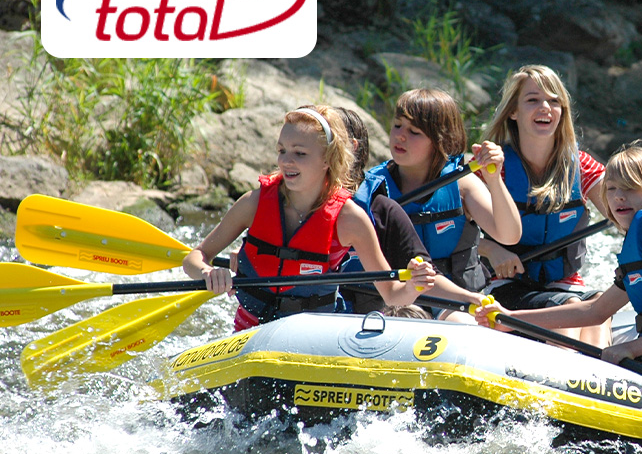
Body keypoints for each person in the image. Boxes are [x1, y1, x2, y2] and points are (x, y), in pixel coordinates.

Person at [475, 145, 642, 374]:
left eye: (630, 189)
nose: (618, 197)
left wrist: (629, 348)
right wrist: (510, 318)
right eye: (612, 188)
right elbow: (594, 311)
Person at [183, 105, 436, 331]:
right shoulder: (254, 203)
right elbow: (194, 258)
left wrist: (414, 285)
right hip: (249, 333)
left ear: (328, 158)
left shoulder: (351, 219)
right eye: (282, 151)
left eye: (300, 153)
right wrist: (208, 272)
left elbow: (391, 295)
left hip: (310, 338)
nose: (286, 161)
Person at [348, 90, 521, 319]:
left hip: (454, 301)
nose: (400, 136)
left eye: (414, 132)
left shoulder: (462, 184)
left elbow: (509, 235)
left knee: (461, 322)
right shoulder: (374, 189)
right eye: (398, 125)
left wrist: (494, 179)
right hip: (395, 302)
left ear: (441, 140)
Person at [476, 64, 610, 345]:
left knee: (600, 307)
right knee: (568, 309)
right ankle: (566, 376)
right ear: (513, 111)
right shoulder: (492, 169)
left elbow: (625, 212)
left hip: (564, 284)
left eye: (553, 100)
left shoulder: (582, 166)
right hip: (506, 287)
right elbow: (457, 239)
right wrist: (490, 248)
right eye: (533, 100)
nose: (545, 107)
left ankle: (592, 382)